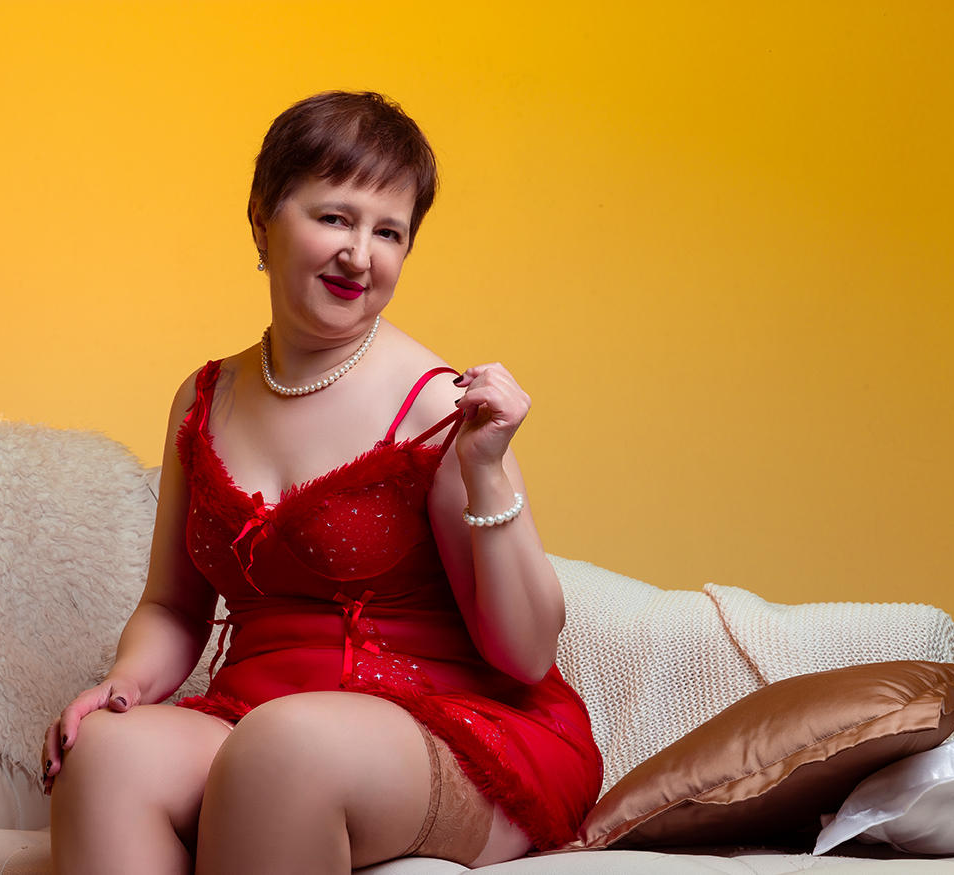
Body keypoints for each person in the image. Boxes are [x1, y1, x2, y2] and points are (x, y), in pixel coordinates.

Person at [42, 90, 602, 874]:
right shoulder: (204, 398)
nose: (360, 255)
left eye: (388, 233)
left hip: (453, 727)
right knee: (107, 754)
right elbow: (171, 606)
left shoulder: (437, 405)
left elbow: (527, 654)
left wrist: (484, 468)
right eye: (335, 218)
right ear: (262, 218)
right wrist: (122, 686)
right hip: (257, 717)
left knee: (284, 748)